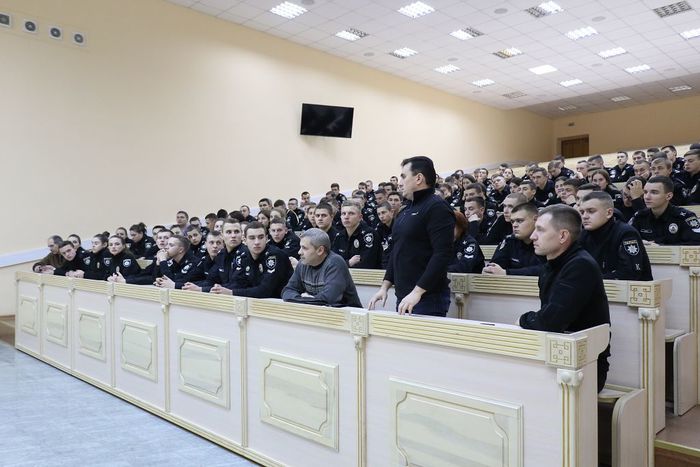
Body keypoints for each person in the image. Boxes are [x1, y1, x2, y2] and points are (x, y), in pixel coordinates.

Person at [518, 204, 611, 393]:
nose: (533, 236)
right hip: (560, 353)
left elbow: (550, 322)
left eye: (540, 230)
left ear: (562, 236)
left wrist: (522, 319)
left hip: (584, 365)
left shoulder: (580, 266)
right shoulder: (551, 264)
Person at [368, 156, 455, 316]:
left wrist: (417, 292)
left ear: (419, 178)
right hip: (404, 296)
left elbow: (442, 254)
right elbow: (396, 250)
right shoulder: (405, 210)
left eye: (403, 176)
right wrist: (385, 286)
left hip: (427, 298)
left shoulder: (437, 207)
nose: (400, 183)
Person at [578, 192, 652, 280]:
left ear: (609, 213)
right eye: (582, 212)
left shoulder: (626, 233)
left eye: (591, 211)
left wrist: (589, 280)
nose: (584, 216)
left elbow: (630, 273)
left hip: (631, 287)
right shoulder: (583, 235)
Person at [282, 228, 362, 307]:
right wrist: (304, 299)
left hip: (348, 313)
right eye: (300, 247)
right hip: (318, 312)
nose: (299, 252)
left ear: (320, 250)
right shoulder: (303, 263)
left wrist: (304, 299)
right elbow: (287, 291)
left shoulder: (335, 263)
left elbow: (328, 299)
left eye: (304, 248)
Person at [211, 222, 293, 298]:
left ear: (267, 238)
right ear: (244, 240)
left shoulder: (275, 255)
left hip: (282, 302)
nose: (257, 242)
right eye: (252, 238)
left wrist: (231, 292)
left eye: (260, 237)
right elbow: (238, 283)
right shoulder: (243, 256)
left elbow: (265, 291)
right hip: (258, 302)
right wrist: (218, 289)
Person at [630, 176, 700, 245]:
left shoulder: (685, 217)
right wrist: (640, 242)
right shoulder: (640, 216)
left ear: (669, 196)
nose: (647, 197)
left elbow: (696, 242)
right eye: (645, 192)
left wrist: (660, 247)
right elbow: (627, 238)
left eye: (654, 192)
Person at [483, 202, 545, 276]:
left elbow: (546, 269)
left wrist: (507, 272)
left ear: (536, 219)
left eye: (519, 221)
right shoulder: (509, 241)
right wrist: (491, 270)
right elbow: (494, 266)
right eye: (512, 222)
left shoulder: (547, 241)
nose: (514, 225)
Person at [331, 202, 381, 269]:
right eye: (343, 214)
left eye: (351, 213)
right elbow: (333, 262)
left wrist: (343, 264)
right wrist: (348, 263)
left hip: (367, 274)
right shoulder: (339, 236)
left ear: (360, 217)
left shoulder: (369, 234)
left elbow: (367, 263)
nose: (346, 217)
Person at [375, 202, 394, 269]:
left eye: (383, 212)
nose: (381, 216)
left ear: (392, 212)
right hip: (384, 262)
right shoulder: (379, 227)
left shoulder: (398, 226)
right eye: (379, 214)